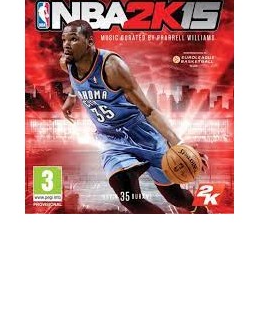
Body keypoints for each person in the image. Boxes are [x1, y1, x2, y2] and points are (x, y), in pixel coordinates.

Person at [59, 20, 208, 213]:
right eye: (64, 39)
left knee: (176, 198)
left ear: (89, 42)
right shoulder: (67, 62)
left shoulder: (112, 67)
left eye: (73, 39)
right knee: (130, 198)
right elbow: (75, 78)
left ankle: (198, 209)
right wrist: (71, 97)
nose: (66, 45)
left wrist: (179, 143)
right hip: (111, 140)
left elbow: (149, 110)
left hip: (143, 135)